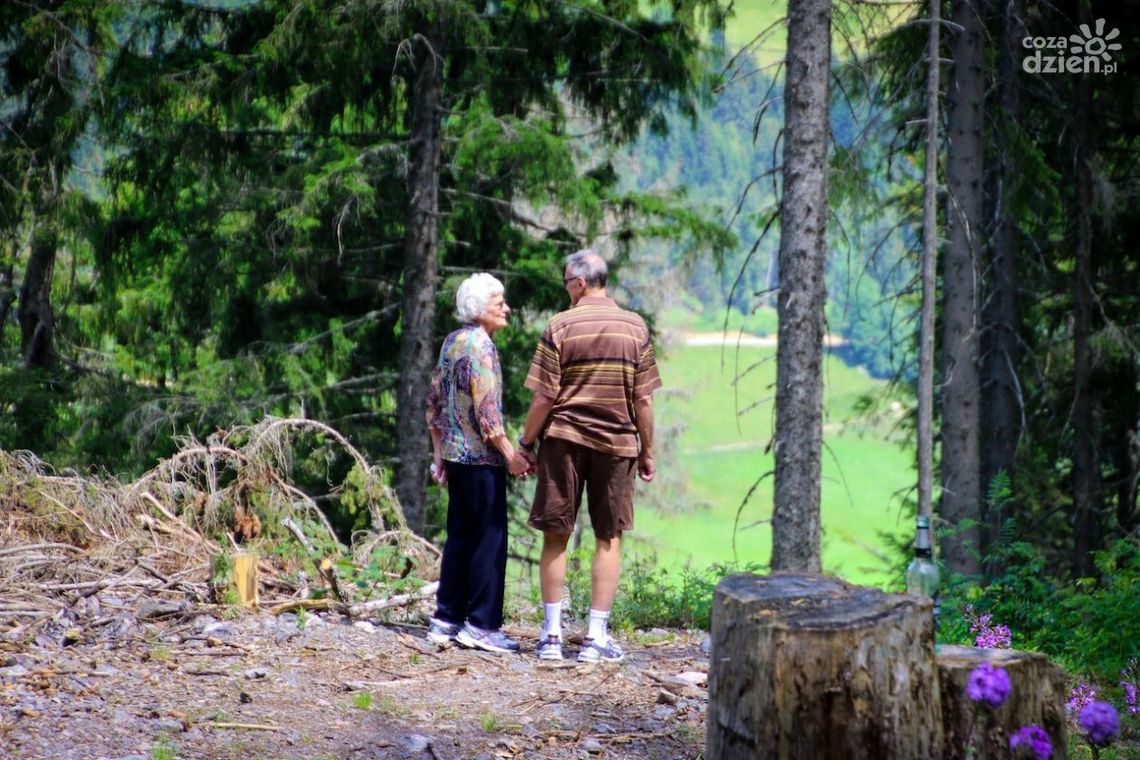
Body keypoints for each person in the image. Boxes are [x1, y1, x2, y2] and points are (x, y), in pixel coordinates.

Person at [516, 250, 662, 663]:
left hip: (563, 440)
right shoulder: (634, 327)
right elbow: (644, 398)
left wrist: (526, 445)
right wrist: (648, 451)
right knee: (608, 537)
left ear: (580, 283)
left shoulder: (559, 325)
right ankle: (596, 638)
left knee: (556, 536)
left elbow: (545, 396)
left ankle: (551, 637)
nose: (566, 289)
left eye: (566, 282)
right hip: (617, 445)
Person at [425, 273, 531, 654]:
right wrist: (512, 456)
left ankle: (446, 618)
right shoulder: (482, 347)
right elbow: (488, 416)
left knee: (459, 538)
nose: (506, 307)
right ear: (479, 308)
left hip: (455, 458)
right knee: (489, 540)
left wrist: (439, 457)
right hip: (482, 460)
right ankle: (482, 625)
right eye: (498, 301)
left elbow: (432, 405)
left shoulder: (452, 341)